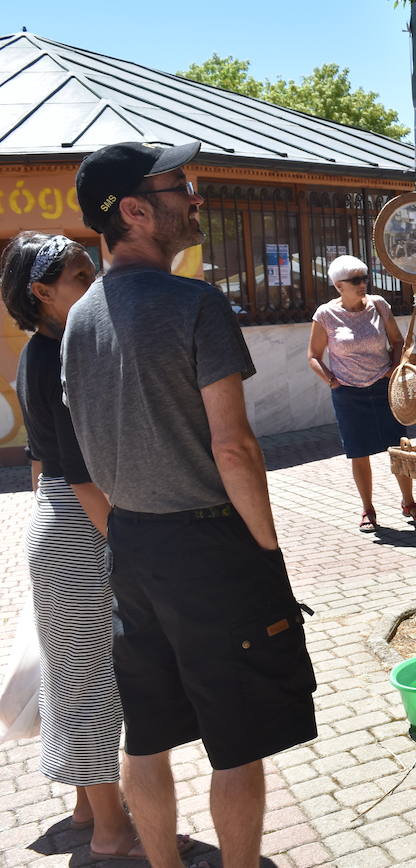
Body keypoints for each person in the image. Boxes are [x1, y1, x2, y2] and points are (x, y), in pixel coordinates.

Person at [64, 141, 317, 868]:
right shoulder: (192, 304)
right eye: (181, 185)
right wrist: (266, 549)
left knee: (146, 729)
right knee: (236, 739)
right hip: (209, 549)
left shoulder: (80, 318)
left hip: (133, 546)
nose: (195, 196)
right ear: (135, 211)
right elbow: (233, 447)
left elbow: (83, 449)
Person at [1, 232, 187, 862]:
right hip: (82, 523)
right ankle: (112, 833)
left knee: (83, 676)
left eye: (93, 270)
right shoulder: (53, 355)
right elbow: (75, 471)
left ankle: (89, 808)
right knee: (88, 683)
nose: (95, 284)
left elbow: (41, 461)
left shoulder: (58, 344)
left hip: (70, 520)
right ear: (42, 293)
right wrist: (128, 544)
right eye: (81, 278)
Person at [308, 255, 416, 533]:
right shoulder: (325, 314)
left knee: (398, 447)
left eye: (364, 278)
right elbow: (313, 355)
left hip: (384, 388)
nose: (363, 284)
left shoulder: (378, 305)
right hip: (348, 394)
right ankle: (368, 509)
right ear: (339, 286)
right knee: (358, 453)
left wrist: (395, 366)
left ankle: (409, 502)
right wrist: (331, 381)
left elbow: (397, 340)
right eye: (356, 280)